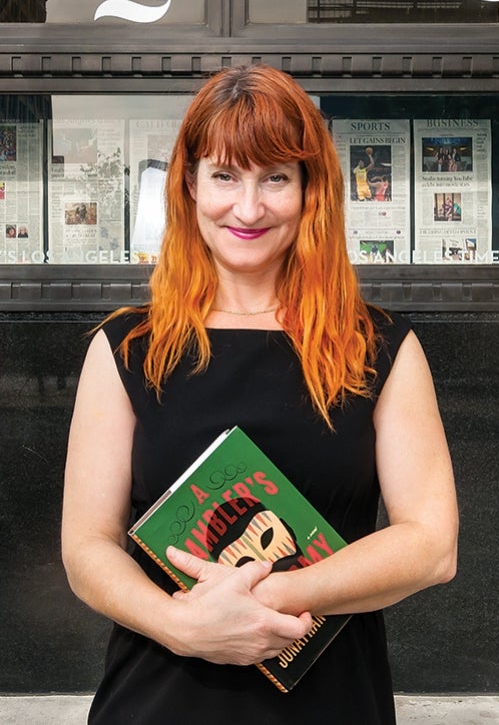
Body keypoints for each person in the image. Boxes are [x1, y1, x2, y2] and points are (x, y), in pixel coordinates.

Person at [62, 64, 458, 725]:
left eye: (275, 177)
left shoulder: (379, 346)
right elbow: (86, 550)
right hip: (156, 701)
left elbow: (432, 545)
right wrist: (181, 625)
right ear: (188, 185)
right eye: (225, 176)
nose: (248, 208)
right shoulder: (128, 348)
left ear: (310, 191)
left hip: (331, 703)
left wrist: (271, 594)